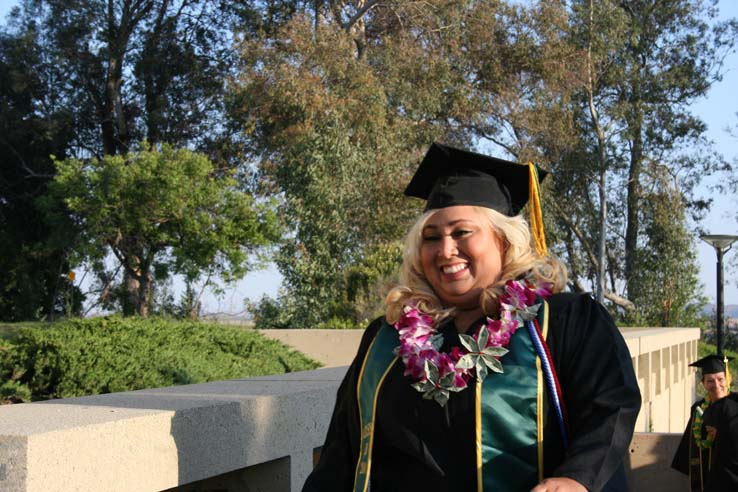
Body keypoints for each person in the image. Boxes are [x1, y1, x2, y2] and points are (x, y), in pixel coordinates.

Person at [302, 143, 641, 492]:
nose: (445, 250)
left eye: (462, 233)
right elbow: (342, 450)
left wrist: (576, 478)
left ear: (504, 240)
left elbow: (610, 409)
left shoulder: (564, 321)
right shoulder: (388, 337)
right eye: (431, 238)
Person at [672, 354, 735, 491]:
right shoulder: (699, 408)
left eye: (720, 379)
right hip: (705, 476)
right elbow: (691, 441)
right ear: (703, 383)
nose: (716, 385)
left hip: (730, 476)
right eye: (710, 381)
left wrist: (721, 434)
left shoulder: (736, 404)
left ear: (727, 379)